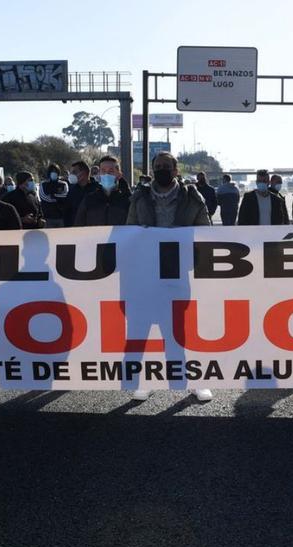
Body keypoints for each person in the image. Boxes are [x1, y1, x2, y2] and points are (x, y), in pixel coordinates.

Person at [125, 151, 212, 403]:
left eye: (166, 166)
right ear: (153, 170)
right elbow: (129, 231)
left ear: (176, 171)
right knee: (145, 327)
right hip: (147, 271)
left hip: (178, 270)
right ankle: (148, 380)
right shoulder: (140, 197)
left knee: (178, 327)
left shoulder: (192, 197)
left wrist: (181, 237)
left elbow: (205, 231)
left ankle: (191, 381)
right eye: (158, 166)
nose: (161, 169)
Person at [74, 156, 131, 226]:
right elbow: (78, 226)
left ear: (119, 175)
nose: (107, 174)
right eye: (103, 171)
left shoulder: (127, 201)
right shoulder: (89, 200)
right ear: (99, 174)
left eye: (111, 171)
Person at [63, 161, 92, 227]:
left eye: (74, 172)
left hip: (93, 230)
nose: (71, 175)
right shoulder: (72, 190)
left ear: (83, 173)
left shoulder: (97, 189)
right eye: (70, 173)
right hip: (75, 230)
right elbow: (67, 212)